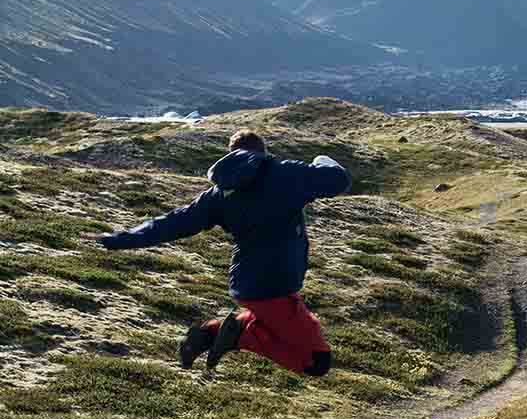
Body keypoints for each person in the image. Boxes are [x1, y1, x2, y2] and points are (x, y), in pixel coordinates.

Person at [89, 129, 352, 377]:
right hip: (273, 288)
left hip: (248, 285)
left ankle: (209, 334)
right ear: (262, 151)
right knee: (316, 361)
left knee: (268, 324)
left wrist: (116, 240)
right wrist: (323, 160)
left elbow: (171, 224)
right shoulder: (284, 174)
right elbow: (338, 180)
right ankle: (236, 335)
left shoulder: (217, 195)